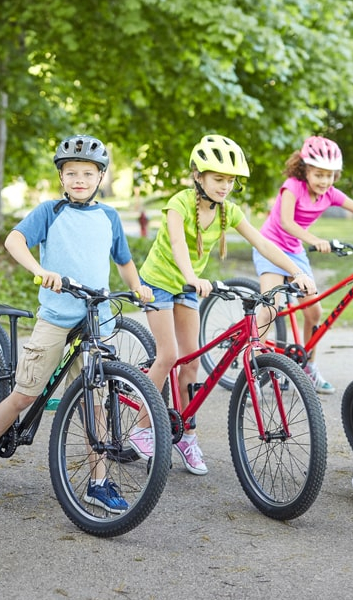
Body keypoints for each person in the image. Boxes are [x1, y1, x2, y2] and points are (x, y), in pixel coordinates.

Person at [0, 135, 153, 513]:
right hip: (57, 317)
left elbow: (124, 261)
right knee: (26, 393)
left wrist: (138, 287)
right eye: (71, 173)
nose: (79, 179)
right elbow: (14, 241)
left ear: (100, 177)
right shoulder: (50, 211)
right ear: (61, 178)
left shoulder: (109, 217)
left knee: (94, 402)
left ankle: (97, 482)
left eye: (87, 173)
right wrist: (40, 270)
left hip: (95, 319)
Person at [133, 134, 317, 475]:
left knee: (191, 364)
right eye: (218, 179)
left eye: (230, 180)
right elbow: (177, 244)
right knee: (169, 355)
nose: (225, 186)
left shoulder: (229, 211)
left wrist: (296, 271)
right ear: (198, 176)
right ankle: (141, 427)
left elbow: (263, 243)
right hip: (159, 284)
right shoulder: (179, 204)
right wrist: (191, 276)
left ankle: (187, 436)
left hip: (187, 289)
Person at [254, 136, 353, 395]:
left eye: (330, 175)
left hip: (294, 251)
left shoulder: (331, 194)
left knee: (314, 311)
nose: (324, 181)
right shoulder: (292, 187)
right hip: (269, 247)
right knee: (271, 307)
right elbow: (287, 223)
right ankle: (253, 370)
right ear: (305, 170)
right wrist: (315, 240)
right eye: (318, 174)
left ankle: (308, 368)